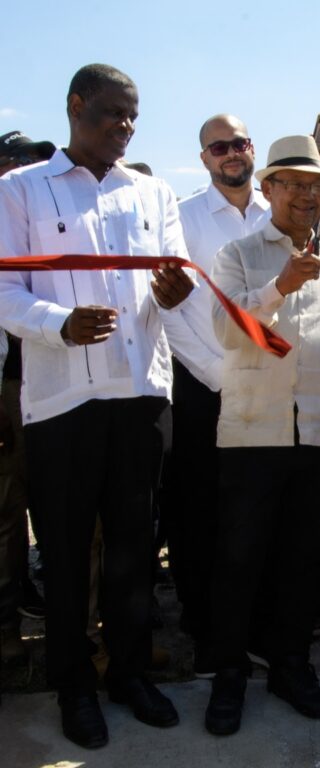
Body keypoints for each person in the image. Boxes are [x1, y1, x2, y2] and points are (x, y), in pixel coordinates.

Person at [0, 63, 194, 748]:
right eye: (112, 113)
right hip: (61, 401)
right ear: (75, 106)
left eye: (133, 117)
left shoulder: (152, 191)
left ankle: (131, 673)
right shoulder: (21, 190)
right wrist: (60, 324)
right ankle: (74, 686)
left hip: (140, 394)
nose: (124, 127)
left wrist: (173, 294)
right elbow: (6, 293)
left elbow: (174, 279)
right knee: (65, 545)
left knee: (134, 550)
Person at [204, 135, 320, 734]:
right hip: (253, 434)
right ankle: (230, 675)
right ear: (268, 189)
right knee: (239, 560)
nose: (307, 196)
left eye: (316, 186)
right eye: (293, 184)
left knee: (304, 562)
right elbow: (228, 335)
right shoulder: (238, 253)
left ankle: (291, 666)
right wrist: (279, 285)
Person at [161, 114, 269, 677]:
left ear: (253, 150)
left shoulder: (279, 216)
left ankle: (256, 628)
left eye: (240, 143)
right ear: (204, 157)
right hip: (205, 387)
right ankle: (206, 633)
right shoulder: (179, 219)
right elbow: (171, 310)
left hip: (272, 386)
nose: (231, 153)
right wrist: (217, 376)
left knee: (257, 513)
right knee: (200, 514)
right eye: (219, 146)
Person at [0, 132, 55, 669]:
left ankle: (33, 601)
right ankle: (6, 626)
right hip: (9, 387)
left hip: (40, 382)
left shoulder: (28, 223)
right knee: (6, 509)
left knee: (42, 503)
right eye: (17, 164)